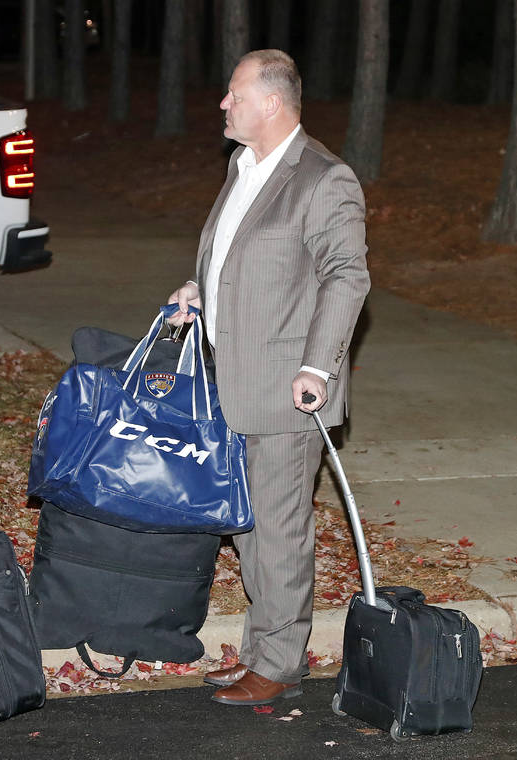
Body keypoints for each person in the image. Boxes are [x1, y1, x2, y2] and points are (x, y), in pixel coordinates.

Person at [168, 49, 370, 706]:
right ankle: (263, 650)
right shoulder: (243, 168)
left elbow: (347, 275)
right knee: (249, 529)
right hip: (233, 383)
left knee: (278, 533)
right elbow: (240, 259)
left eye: (234, 94)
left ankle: (278, 665)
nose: (223, 105)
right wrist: (202, 290)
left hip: (286, 389)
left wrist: (317, 366)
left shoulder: (322, 179)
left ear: (273, 102)